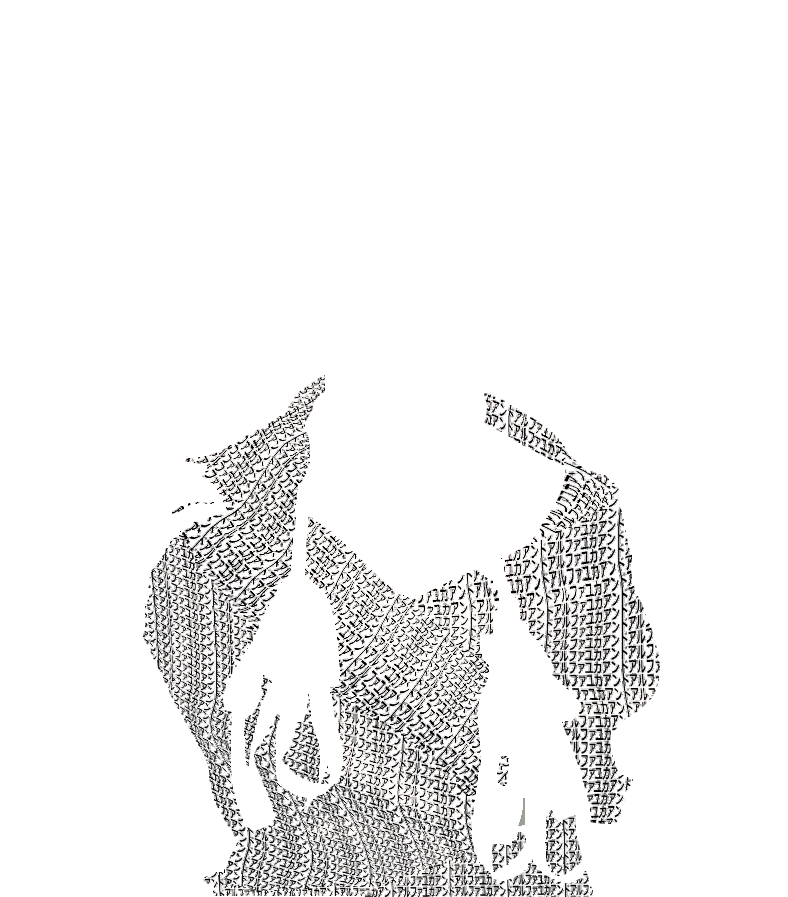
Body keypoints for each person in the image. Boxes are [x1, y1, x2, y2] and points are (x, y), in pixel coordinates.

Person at [80, 5, 660, 895]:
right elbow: (209, 842)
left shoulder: (560, 512)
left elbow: (585, 834)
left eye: (296, 224)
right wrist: (109, 605)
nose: (252, 246)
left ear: (401, 268)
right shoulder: (219, 509)